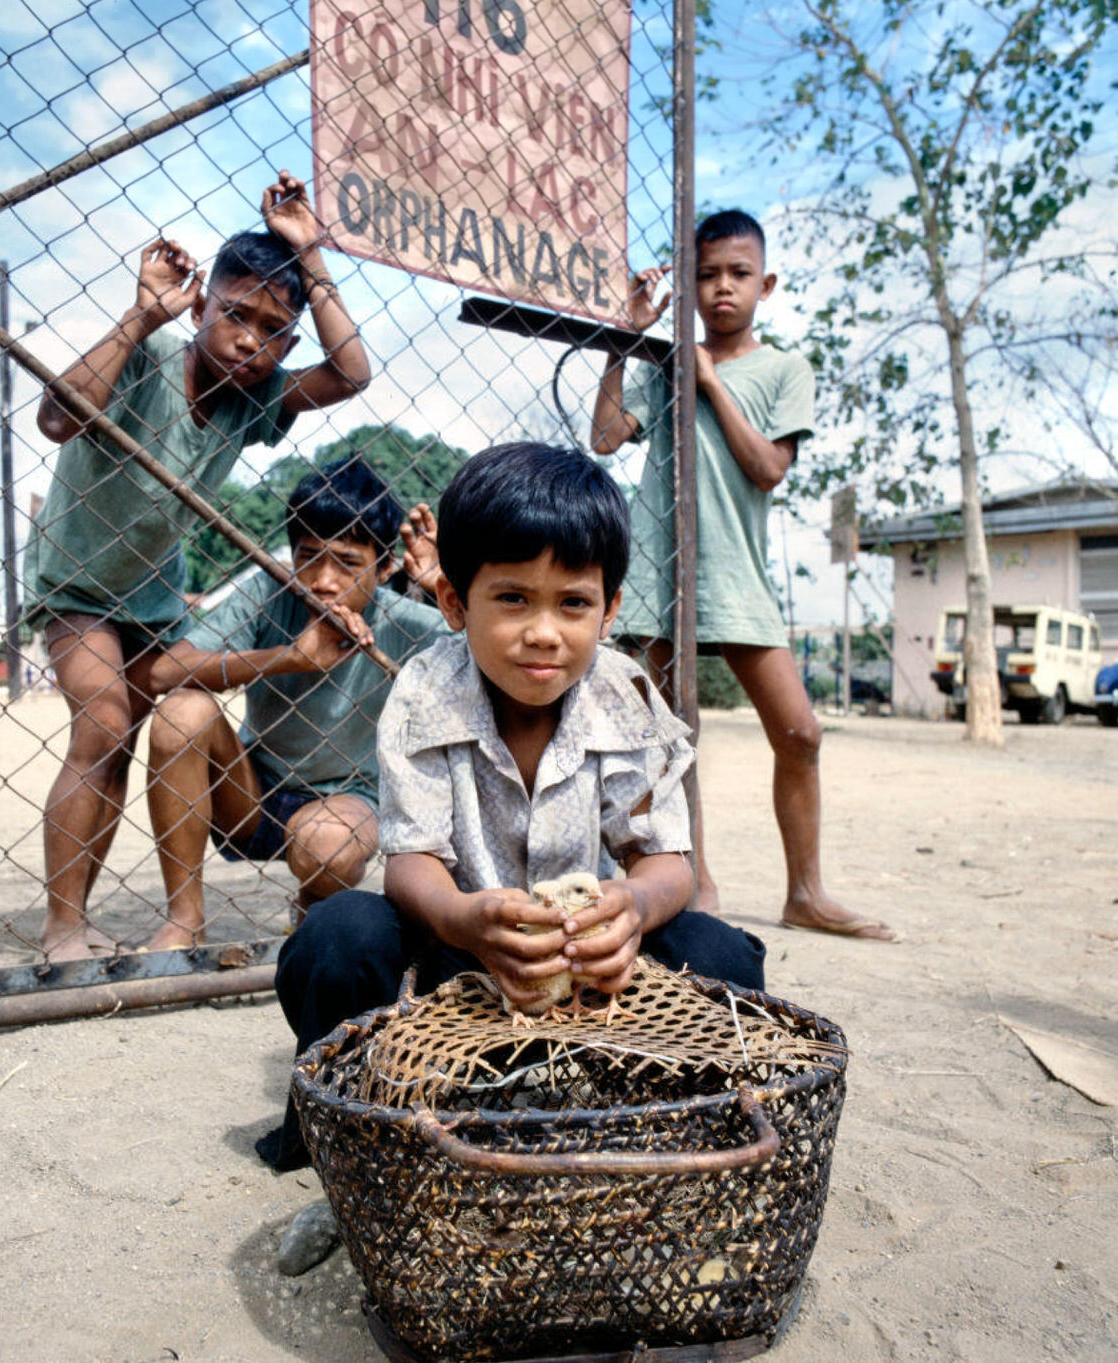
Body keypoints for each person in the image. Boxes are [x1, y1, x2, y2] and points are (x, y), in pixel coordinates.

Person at [258, 442, 767, 1171]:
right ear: (454, 602)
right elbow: (412, 862)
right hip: (452, 962)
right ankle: (344, 1129)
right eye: (512, 599)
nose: (543, 631)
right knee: (339, 935)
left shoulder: (624, 694)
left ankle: (664, 1124)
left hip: (590, 971)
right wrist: (465, 919)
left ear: (610, 608)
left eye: (573, 603)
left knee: (719, 953)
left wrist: (629, 909)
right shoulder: (425, 691)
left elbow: (665, 861)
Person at [24, 170, 371, 961]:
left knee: (139, 728)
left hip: (151, 599)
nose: (250, 340)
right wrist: (140, 315)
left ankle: (160, 911)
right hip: (75, 585)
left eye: (272, 332)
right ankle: (64, 926)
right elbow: (54, 417)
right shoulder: (145, 362)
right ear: (203, 304)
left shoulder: (253, 405)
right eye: (236, 314)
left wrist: (311, 255)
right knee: (104, 722)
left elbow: (352, 373)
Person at [589, 209, 894, 941]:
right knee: (667, 737)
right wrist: (627, 340)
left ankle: (806, 891)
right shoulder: (660, 363)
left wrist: (710, 382)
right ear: (689, 284)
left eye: (738, 274)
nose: (722, 287)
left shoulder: (784, 368)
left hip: (736, 576)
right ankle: (693, 879)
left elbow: (767, 469)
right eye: (706, 274)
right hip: (659, 569)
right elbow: (603, 438)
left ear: (767, 282)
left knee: (800, 731)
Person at [142, 458, 445, 950]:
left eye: (346, 562)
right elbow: (163, 671)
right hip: (250, 792)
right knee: (182, 712)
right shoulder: (268, 589)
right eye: (308, 557)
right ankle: (184, 918)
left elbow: (492, 653)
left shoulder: (403, 619)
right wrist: (288, 658)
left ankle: (314, 905)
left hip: (347, 797)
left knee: (327, 850)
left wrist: (441, 588)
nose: (322, 580)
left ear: (385, 566)